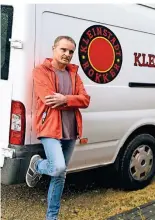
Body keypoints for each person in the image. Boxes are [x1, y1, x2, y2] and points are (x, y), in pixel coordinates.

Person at [25, 36, 90, 220]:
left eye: (71, 51)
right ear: (54, 48)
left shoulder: (74, 74)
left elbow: (85, 100)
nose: (67, 54)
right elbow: (48, 99)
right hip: (50, 128)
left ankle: (51, 217)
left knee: (60, 175)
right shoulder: (41, 71)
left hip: (71, 129)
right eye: (63, 49)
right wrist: (71, 99)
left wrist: (65, 99)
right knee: (58, 167)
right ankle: (37, 164)